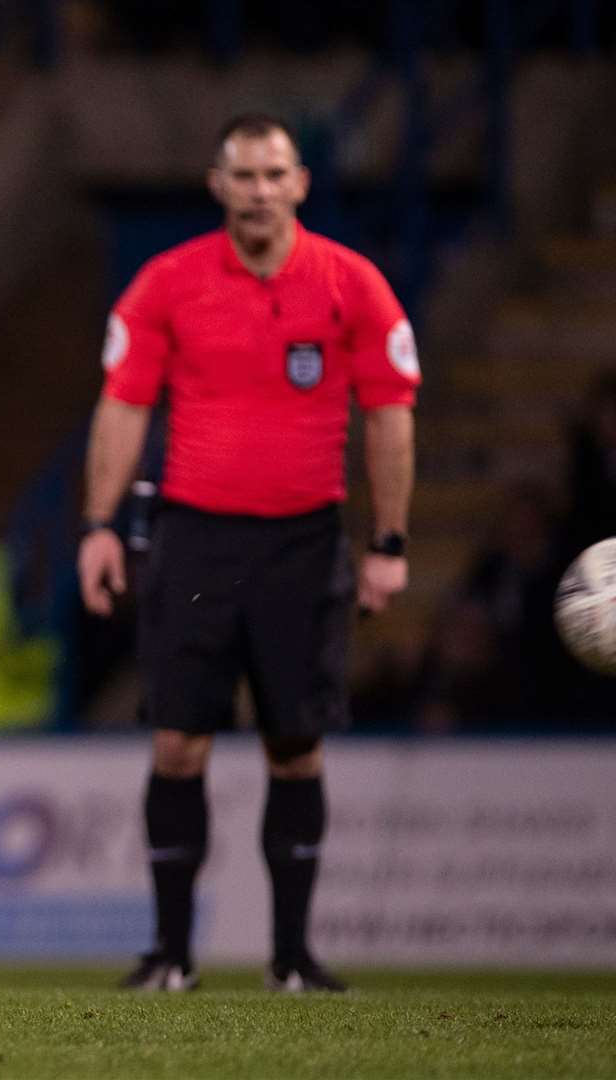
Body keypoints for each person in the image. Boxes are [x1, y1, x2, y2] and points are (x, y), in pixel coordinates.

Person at [76, 114, 419, 993]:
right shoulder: (168, 283)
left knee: (295, 748)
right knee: (178, 743)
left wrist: (387, 540)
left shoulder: (353, 285)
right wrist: (100, 524)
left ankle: (293, 958)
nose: (260, 190)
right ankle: (168, 955)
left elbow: (389, 414)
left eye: (275, 174)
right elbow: (123, 406)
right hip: (194, 542)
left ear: (300, 183)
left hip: (306, 543)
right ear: (217, 185)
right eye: (244, 175)